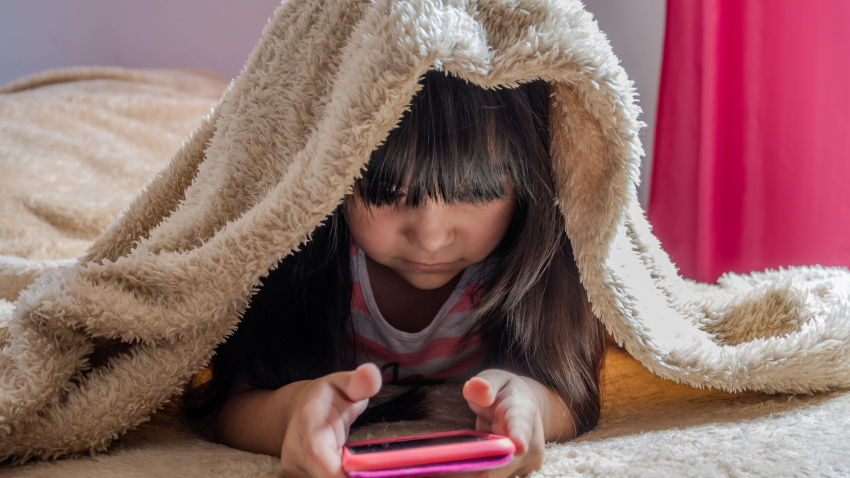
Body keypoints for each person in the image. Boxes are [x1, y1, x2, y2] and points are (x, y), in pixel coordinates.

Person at [182, 70, 607, 477]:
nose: (430, 237)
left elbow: (569, 395)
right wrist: (293, 410)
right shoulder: (303, 258)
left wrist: (531, 403)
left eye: (477, 191)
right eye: (386, 192)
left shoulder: (533, 267)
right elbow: (233, 407)